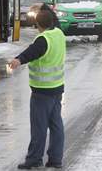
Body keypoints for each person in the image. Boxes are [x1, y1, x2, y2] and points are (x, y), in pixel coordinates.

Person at [8, 9, 66, 170]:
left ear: (38, 24)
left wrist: (18, 60)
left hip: (42, 91)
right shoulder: (59, 33)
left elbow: (32, 52)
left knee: (39, 127)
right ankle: (55, 160)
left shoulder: (43, 39)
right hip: (57, 88)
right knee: (56, 125)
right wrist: (46, 9)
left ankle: (34, 160)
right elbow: (55, 21)